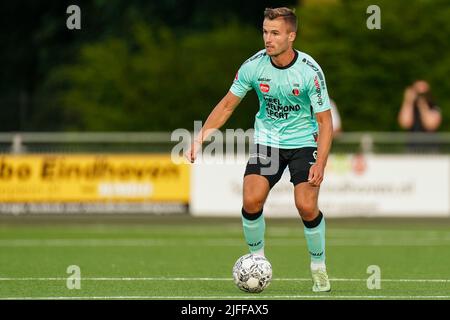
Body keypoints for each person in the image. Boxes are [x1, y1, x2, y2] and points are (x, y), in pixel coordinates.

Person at [185, 7, 333, 292]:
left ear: (291, 36)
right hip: (268, 142)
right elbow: (228, 104)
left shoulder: (309, 71)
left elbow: (325, 122)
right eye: (265, 32)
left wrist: (321, 162)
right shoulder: (253, 66)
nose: (268, 38)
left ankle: (318, 267)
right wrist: (200, 138)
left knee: (306, 205)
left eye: (275, 33)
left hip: (304, 143)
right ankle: (257, 260)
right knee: (252, 200)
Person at [398, 80, 442, 152]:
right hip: (412, 148)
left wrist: (423, 105)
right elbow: (405, 123)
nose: (420, 95)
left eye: (424, 93)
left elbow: (430, 125)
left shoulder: (434, 107)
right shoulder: (410, 107)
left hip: (430, 149)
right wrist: (408, 100)